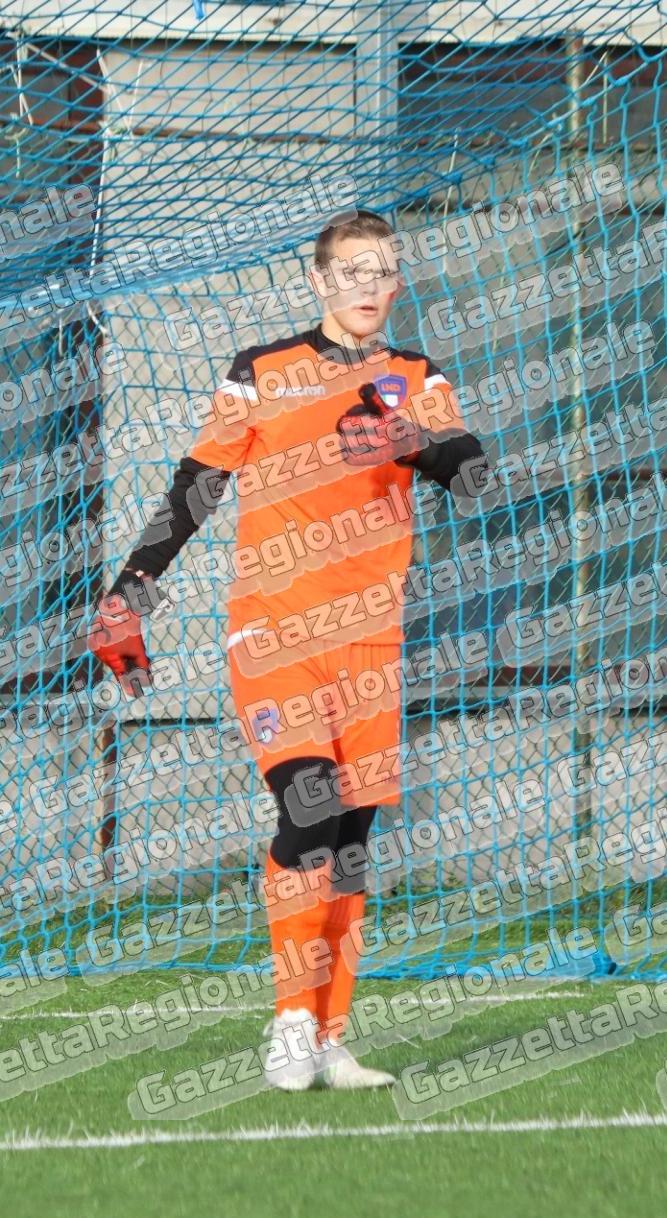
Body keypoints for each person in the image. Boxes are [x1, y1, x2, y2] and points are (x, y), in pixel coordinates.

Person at [88, 209, 490, 1090]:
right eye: (350, 271)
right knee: (309, 810)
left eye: (382, 271)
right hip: (274, 631)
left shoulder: (415, 377)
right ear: (319, 281)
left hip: (371, 642)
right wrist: (129, 593)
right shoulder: (259, 371)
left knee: (349, 841)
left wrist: (413, 441)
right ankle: (288, 1023)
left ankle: (330, 1037)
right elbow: (196, 487)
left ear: (397, 281)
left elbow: (473, 472)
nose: (367, 287)